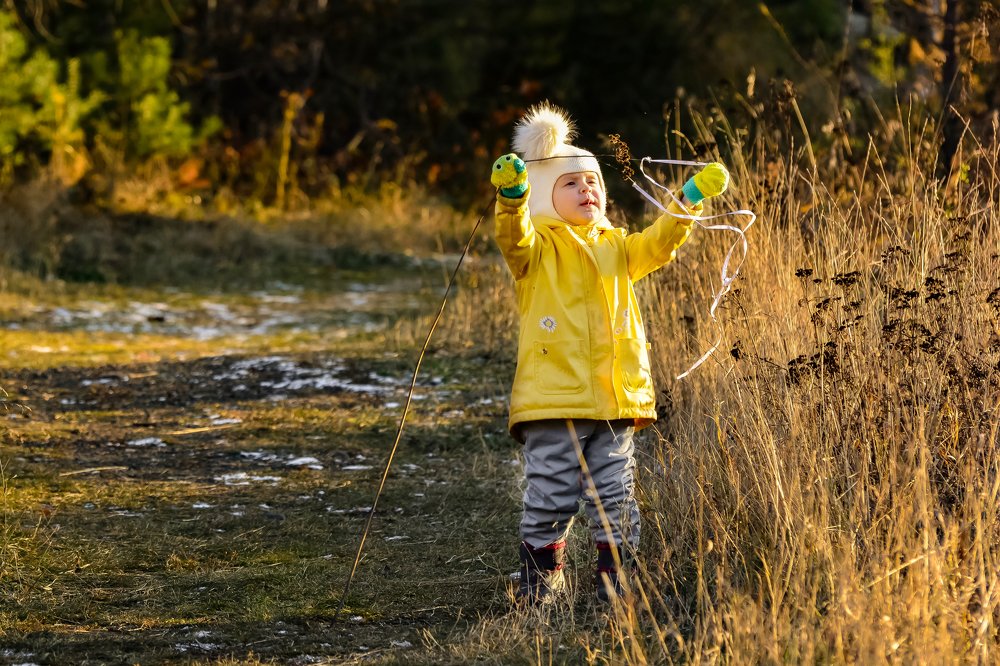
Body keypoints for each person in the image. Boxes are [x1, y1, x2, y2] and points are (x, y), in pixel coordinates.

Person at [490, 103, 728, 605]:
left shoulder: (618, 247)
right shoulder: (536, 251)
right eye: (571, 184)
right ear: (545, 196)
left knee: (617, 498)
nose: (587, 191)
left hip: (617, 397)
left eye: (593, 183)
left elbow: (660, 246)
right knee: (551, 497)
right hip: (554, 401)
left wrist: (687, 199)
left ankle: (615, 589)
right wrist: (512, 197)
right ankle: (540, 586)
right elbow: (512, 236)